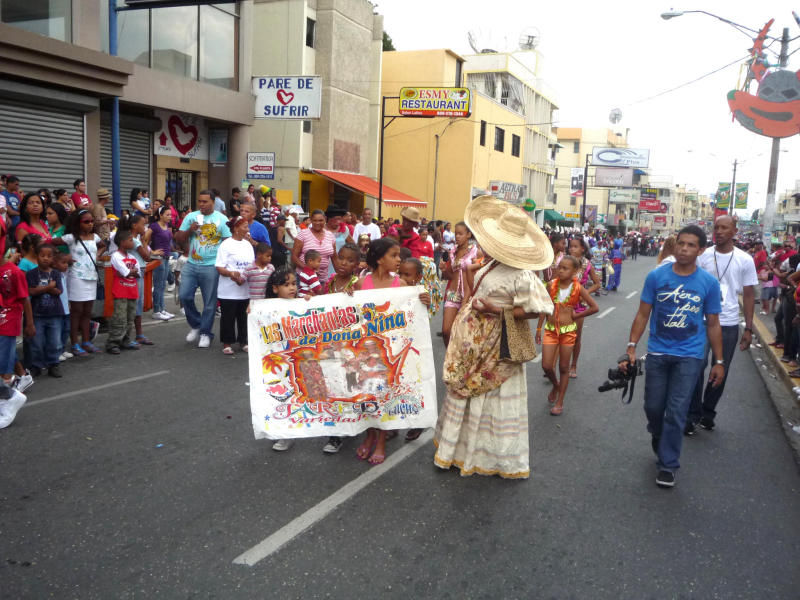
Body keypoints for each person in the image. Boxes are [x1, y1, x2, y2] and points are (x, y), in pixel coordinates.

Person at [434, 196, 554, 479]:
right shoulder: (490, 263)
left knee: (492, 396)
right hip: (474, 341)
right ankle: (458, 452)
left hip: (498, 342)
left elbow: (539, 309)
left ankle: (487, 456)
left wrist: (495, 310)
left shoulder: (523, 275)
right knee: (464, 390)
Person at [622, 225, 724, 488]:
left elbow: (713, 323)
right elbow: (643, 313)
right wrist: (631, 345)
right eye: (681, 243)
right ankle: (658, 435)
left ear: (701, 250)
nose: (684, 249)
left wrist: (719, 362)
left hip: (690, 356)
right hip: (658, 352)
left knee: (676, 411)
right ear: (675, 245)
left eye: (691, 245)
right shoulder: (657, 277)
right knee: (653, 407)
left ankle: (668, 464)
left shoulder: (708, 283)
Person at [686, 216, 758, 434]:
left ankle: (708, 412)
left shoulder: (745, 260)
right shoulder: (704, 255)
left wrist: (748, 328)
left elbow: (748, 294)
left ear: (734, 231)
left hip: (727, 322)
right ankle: (692, 413)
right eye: (716, 227)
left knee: (720, 369)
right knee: (696, 366)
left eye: (724, 228)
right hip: (701, 321)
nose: (718, 231)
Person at [536, 255, 598, 415]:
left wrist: (575, 316)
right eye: (559, 267)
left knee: (564, 367)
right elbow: (545, 306)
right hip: (551, 330)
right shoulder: (551, 285)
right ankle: (556, 386)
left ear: (574, 271)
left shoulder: (578, 288)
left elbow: (594, 307)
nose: (560, 270)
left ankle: (560, 401)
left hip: (568, 332)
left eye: (565, 268)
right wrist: (538, 329)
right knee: (546, 366)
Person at [319, 243, 362, 455]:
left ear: (357, 264)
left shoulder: (358, 284)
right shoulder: (329, 282)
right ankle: (335, 433)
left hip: (351, 346)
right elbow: (318, 306)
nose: (344, 263)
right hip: (330, 345)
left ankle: (352, 422)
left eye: (350, 260)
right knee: (333, 385)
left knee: (350, 385)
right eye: (341, 258)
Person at [176, 190, 231, 348]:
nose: (202, 204)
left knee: (209, 304)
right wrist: (190, 230)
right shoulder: (191, 217)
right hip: (192, 264)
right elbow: (178, 238)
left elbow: (227, 243)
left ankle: (206, 333)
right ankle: (196, 325)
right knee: (184, 296)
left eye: (205, 202)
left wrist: (224, 266)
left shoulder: (222, 219)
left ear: (213, 202)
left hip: (211, 266)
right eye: (200, 201)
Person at [267, 266, 302, 452]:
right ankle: (284, 433)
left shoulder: (303, 304)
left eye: (294, 284)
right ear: (274, 289)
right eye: (286, 284)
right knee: (280, 398)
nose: (291, 288)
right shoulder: (266, 308)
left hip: (298, 362)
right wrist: (252, 310)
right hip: (278, 364)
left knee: (299, 397)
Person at [61, 209, 105, 356]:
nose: (90, 224)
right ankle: (74, 344)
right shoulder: (71, 237)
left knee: (87, 312)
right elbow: (49, 243)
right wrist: (63, 258)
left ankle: (86, 342)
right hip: (76, 278)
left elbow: (103, 246)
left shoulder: (95, 237)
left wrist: (97, 256)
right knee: (76, 313)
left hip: (91, 277)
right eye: (86, 221)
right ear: (78, 223)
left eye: (92, 221)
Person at [215, 216, 255, 355]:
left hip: (245, 288)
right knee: (228, 317)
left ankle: (244, 341)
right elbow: (219, 267)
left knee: (244, 317)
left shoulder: (248, 244)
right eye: (245, 226)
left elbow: (252, 265)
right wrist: (231, 273)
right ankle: (227, 343)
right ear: (236, 228)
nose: (247, 229)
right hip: (228, 290)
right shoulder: (226, 245)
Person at [26, 243, 64, 377]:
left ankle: (53, 364)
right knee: (37, 342)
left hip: (55, 313)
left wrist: (40, 289)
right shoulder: (31, 274)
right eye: (42, 255)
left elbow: (58, 291)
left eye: (49, 256)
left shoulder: (56, 273)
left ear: (53, 258)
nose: (45, 258)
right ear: (37, 257)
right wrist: (48, 288)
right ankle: (36, 365)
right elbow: (30, 291)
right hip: (37, 314)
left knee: (54, 342)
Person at [566, 238, 601, 378]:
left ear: (583, 249)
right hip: (563, 304)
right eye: (570, 246)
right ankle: (558, 364)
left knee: (576, 337)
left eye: (575, 246)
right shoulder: (565, 262)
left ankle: (573, 365)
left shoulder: (587, 265)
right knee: (559, 334)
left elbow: (597, 284)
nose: (571, 249)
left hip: (579, 306)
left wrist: (584, 294)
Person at [440, 222, 478, 344]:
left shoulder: (475, 251)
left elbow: (477, 275)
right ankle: (449, 359)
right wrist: (444, 270)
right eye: (456, 234)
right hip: (453, 293)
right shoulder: (453, 251)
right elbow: (450, 275)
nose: (457, 237)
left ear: (468, 235)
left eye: (460, 234)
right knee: (446, 331)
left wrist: (467, 300)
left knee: (463, 334)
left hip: (468, 295)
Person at [105, 229, 140, 355]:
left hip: (132, 290)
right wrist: (130, 272)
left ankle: (126, 340)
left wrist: (130, 272)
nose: (133, 243)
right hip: (120, 291)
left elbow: (137, 273)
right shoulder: (115, 256)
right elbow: (125, 271)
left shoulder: (132, 257)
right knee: (119, 318)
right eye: (131, 240)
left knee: (130, 318)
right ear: (122, 242)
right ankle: (113, 342)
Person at [292, 209, 336, 281]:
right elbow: (294, 257)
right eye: (315, 220)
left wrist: (341, 275)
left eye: (320, 220)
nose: (317, 223)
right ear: (311, 220)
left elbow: (335, 258)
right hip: (304, 278)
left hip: (322, 279)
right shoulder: (303, 234)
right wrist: (309, 270)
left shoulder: (330, 235)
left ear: (325, 219)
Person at [149, 206, 175, 321]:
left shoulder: (166, 226)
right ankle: (156, 311)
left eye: (170, 215)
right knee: (158, 285)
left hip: (165, 258)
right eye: (167, 215)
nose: (170, 217)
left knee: (163, 285)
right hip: (158, 259)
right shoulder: (154, 226)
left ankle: (162, 309)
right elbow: (143, 240)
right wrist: (152, 251)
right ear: (160, 215)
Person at [53, 251, 72, 362]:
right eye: (63, 263)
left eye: (66, 263)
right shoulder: (55, 275)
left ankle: (62, 349)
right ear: (55, 264)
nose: (65, 265)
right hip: (58, 309)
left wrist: (68, 303)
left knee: (66, 329)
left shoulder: (64, 275)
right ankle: (57, 351)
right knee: (58, 331)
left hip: (66, 308)